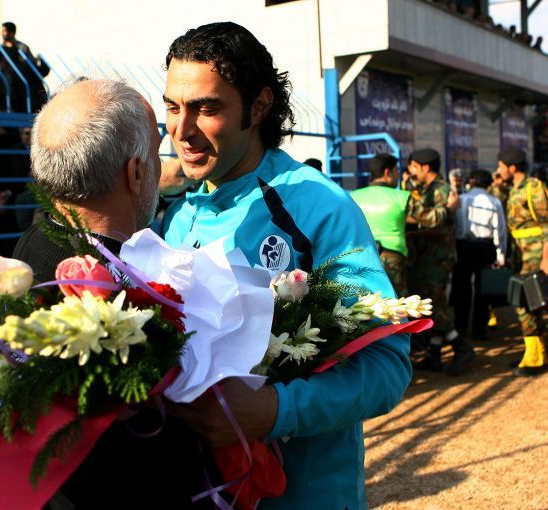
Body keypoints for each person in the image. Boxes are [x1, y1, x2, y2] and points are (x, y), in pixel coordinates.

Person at [160, 22, 411, 509]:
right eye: (173, 107)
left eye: (206, 109)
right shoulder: (178, 215)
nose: (182, 131)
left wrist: (276, 410)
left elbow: (387, 366)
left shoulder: (318, 207)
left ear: (258, 106)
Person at [12, 79, 216, 508]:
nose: (165, 167)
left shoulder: (38, 241)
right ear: (136, 173)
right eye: (156, 155)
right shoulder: (122, 293)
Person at [405, 148, 474, 375]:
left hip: (436, 258)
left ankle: (461, 347)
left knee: (433, 305)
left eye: (414, 167)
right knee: (433, 302)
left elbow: (440, 227)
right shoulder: (425, 189)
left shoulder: (442, 190)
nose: (411, 172)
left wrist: (411, 233)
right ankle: (434, 354)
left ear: (425, 168)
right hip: (426, 257)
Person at [497, 148, 548, 376]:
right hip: (520, 253)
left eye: (501, 166)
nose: (499, 170)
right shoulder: (514, 188)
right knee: (526, 302)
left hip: (535, 253)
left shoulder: (533, 187)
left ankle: (536, 357)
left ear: (512, 167)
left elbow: (547, 222)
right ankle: (535, 351)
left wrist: (546, 257)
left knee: (528, 302)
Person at [451, 169, 506, 340]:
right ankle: (479, 330)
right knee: (484, 289)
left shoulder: (461, 199)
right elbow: (500, 231)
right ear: (489, 184)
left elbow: (454, 225)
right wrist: (501, 254)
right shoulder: (494, 201)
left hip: (463, 246)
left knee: (462, 287)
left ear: (472, 181)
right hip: (486, 247)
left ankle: (460, 328)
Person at [351, 153, 411, 295]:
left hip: (362, 258)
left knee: (367, 301)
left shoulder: (352, 196)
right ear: (387, 172)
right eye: (396, 171)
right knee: (397, 302)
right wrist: (450, 208)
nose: (398, 176)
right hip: (393, 259)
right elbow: (429, 218)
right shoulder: (402, 197)